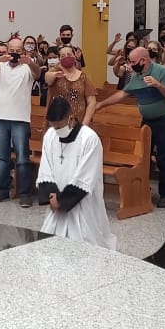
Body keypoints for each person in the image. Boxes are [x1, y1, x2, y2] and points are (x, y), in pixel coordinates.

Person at [96, 47, 165, 207]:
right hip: (147, 121)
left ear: (143, 60)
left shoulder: (161, 71)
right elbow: (122, 94)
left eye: (133, 62)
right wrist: (101, 104)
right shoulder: (137, 77)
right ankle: (143, 189)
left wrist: (158, 85)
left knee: (163, 158)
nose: (130, 65)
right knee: (143, 156)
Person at [36, 97, 116, 250]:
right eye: (53, 126)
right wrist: (52, 195)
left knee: (86, 245)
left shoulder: (89, 139)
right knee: (49, 246)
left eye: (60, 127)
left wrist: (62, 199)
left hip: (81, 201)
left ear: (71, 118)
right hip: (56, 198)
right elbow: (46, 168)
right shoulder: (50, 135)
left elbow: (85, 176)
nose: (57, 131)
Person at [0, 36, 41, 207]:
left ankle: (25, 194)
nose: (14, 54)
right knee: (2, 157)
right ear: (8, 51)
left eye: (18, 50)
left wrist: (30, 62)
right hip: (1, 117)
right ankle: (2, 191)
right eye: (12, 50)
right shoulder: (1, 66)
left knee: (22, 158)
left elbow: (38, 73)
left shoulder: (27, 68)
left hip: (20, 119)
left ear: (22, 51)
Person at [45, 46, 97, 126]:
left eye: (69, 55)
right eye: (63, 56)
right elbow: (47, 78)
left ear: (74, 57)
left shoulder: (83, 77)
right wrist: (54, 74)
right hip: (57, 122)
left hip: (77, 123)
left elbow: (92, 102)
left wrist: (84, 125)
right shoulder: (55, 71)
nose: (66, 57)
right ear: (59, 59)